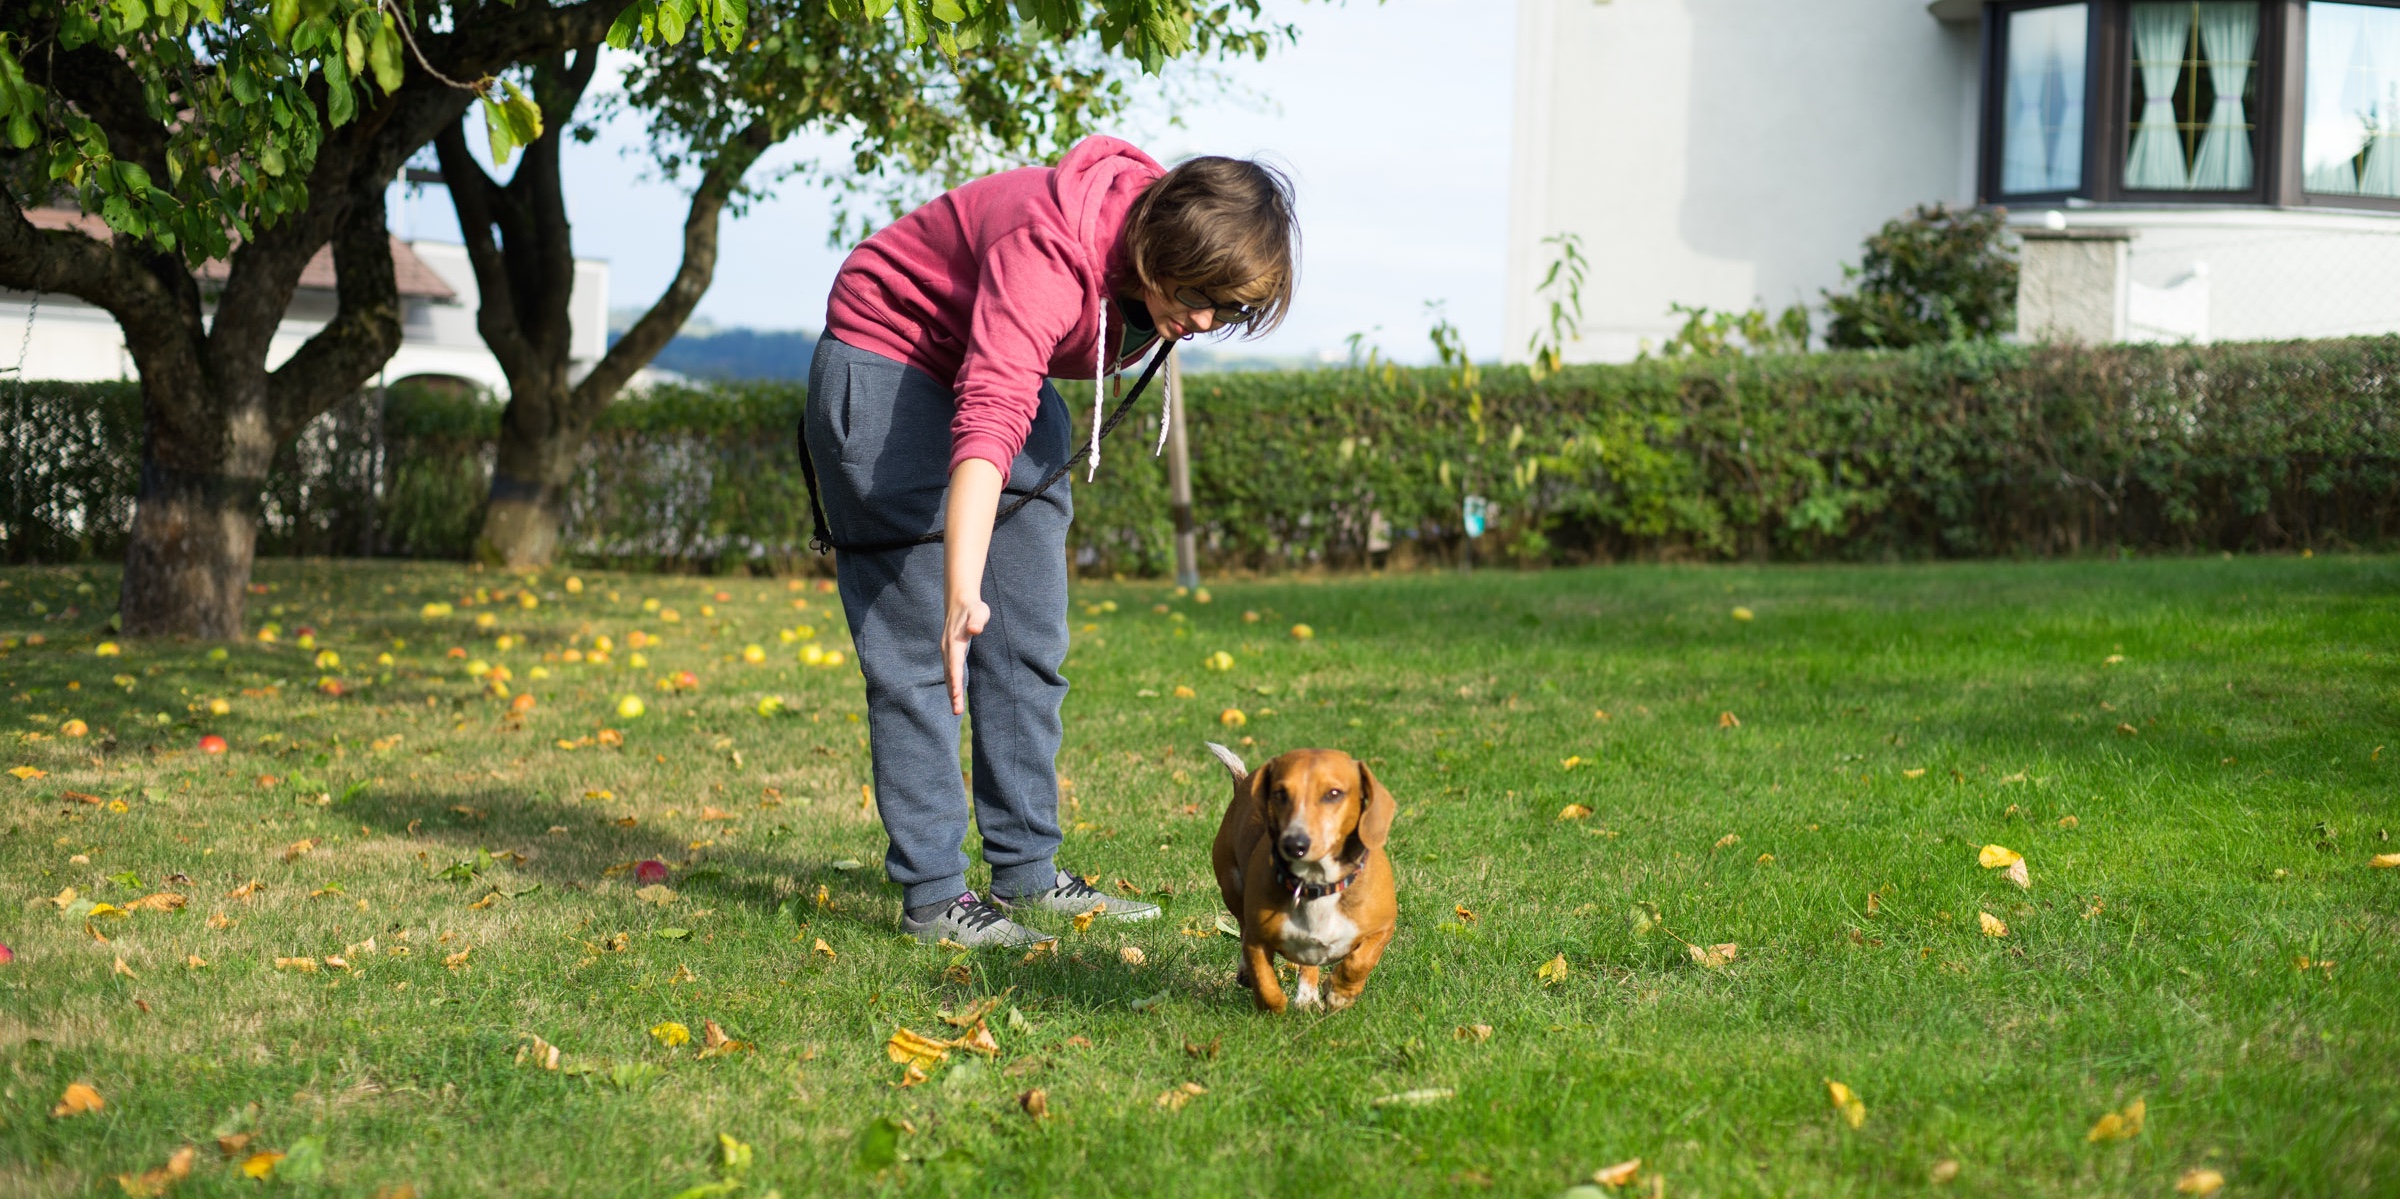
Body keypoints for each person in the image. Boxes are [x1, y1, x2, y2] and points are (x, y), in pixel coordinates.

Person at [805, 136, 1298, 947]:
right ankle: (934, 896)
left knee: (1028, 638)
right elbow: (989, 415)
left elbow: (1008, 388)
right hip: (887, 365)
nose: (1205, 320)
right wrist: (961, 589)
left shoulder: (1154, 259)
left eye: (1227, 308)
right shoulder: (1048, 249)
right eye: (1198, 294)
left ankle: (1027, 869)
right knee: (930, 648)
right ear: (1160, 241)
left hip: (988, 371)